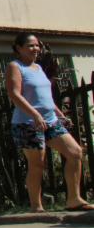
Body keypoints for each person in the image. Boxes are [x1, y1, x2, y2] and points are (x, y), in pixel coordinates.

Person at [6, 32, 92, 213]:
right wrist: (35, 114)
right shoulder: (15, 66)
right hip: (27, 122)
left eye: (37, 45)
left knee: (75, 153)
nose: (35, 48)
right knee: (38, 163)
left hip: (51, 121)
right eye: (30, 45)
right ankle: (36, 206)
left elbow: (46, 97)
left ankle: (73, 199)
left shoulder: (38, 68)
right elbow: (15, 94)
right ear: (18, 48)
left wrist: (59, 113)